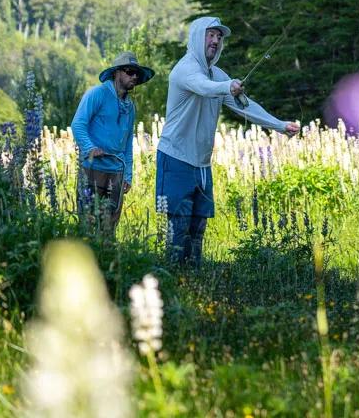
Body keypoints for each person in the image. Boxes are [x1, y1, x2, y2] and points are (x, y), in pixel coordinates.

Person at [157, 16, 299, 266]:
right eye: (210, 35)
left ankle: (193, 278)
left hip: (202, 164)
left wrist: (279, 125)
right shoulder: (185, 69)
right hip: (175, 158)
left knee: (198, 228)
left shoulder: (217, 75)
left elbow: (245, 105)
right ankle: (172, 277)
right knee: (178, 228)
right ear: (197, 36)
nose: (215, 41)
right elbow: (203, 87)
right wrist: (227, 86)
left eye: (219, 37)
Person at [71, 51, 155, 237]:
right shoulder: (97, 94)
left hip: (116, 172)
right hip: (92, 168)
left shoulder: (130, 107)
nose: (134, 76)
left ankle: (107, 254)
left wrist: (128, 176)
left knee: (109, 228)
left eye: (137, 73)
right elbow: (78, 124)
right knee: (87, 224)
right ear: (116, 73)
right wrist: (90, 148)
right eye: (129, 71)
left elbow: (127, 143)